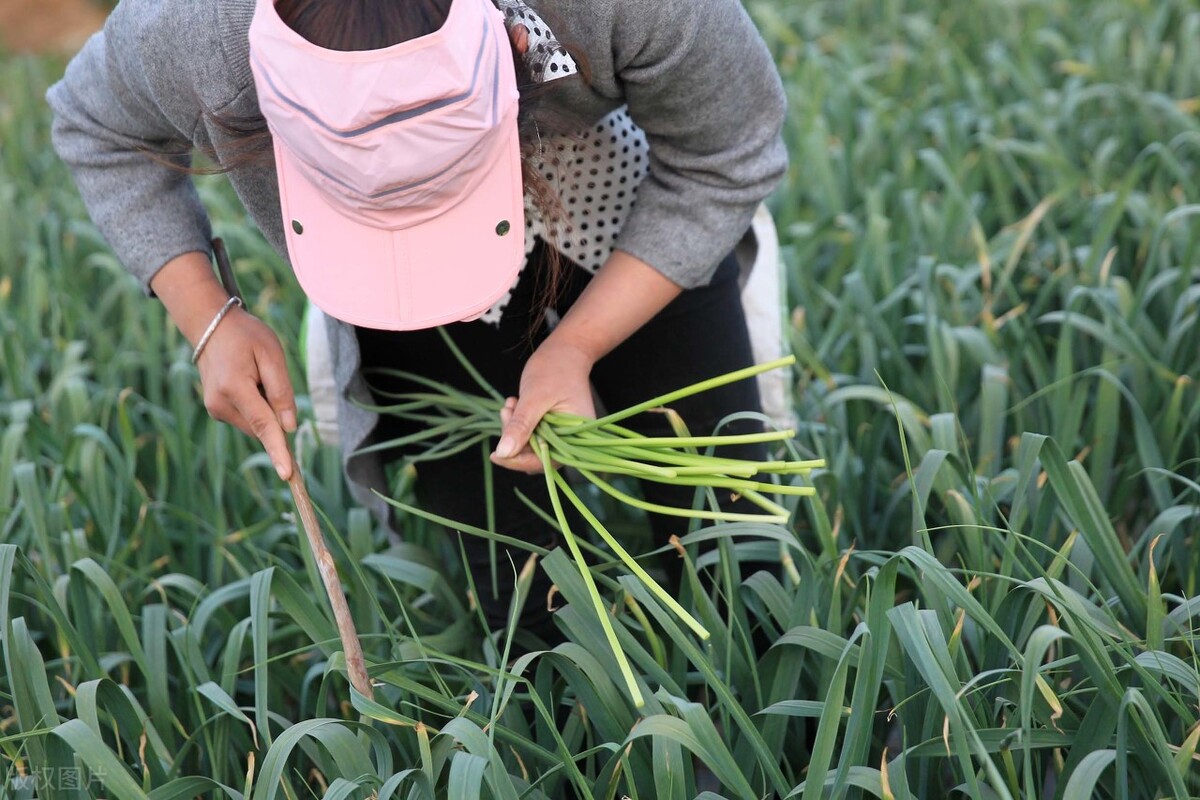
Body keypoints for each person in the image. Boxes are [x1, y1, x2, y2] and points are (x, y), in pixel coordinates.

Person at [47, 0, 789, 646]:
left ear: (514, 47)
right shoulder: (197, 27)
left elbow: (726, 151)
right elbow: (97, 125)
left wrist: (578, 345)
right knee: (521, 592)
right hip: (393, 283)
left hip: (617, 191)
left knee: (730, 546)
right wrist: (209, 319)